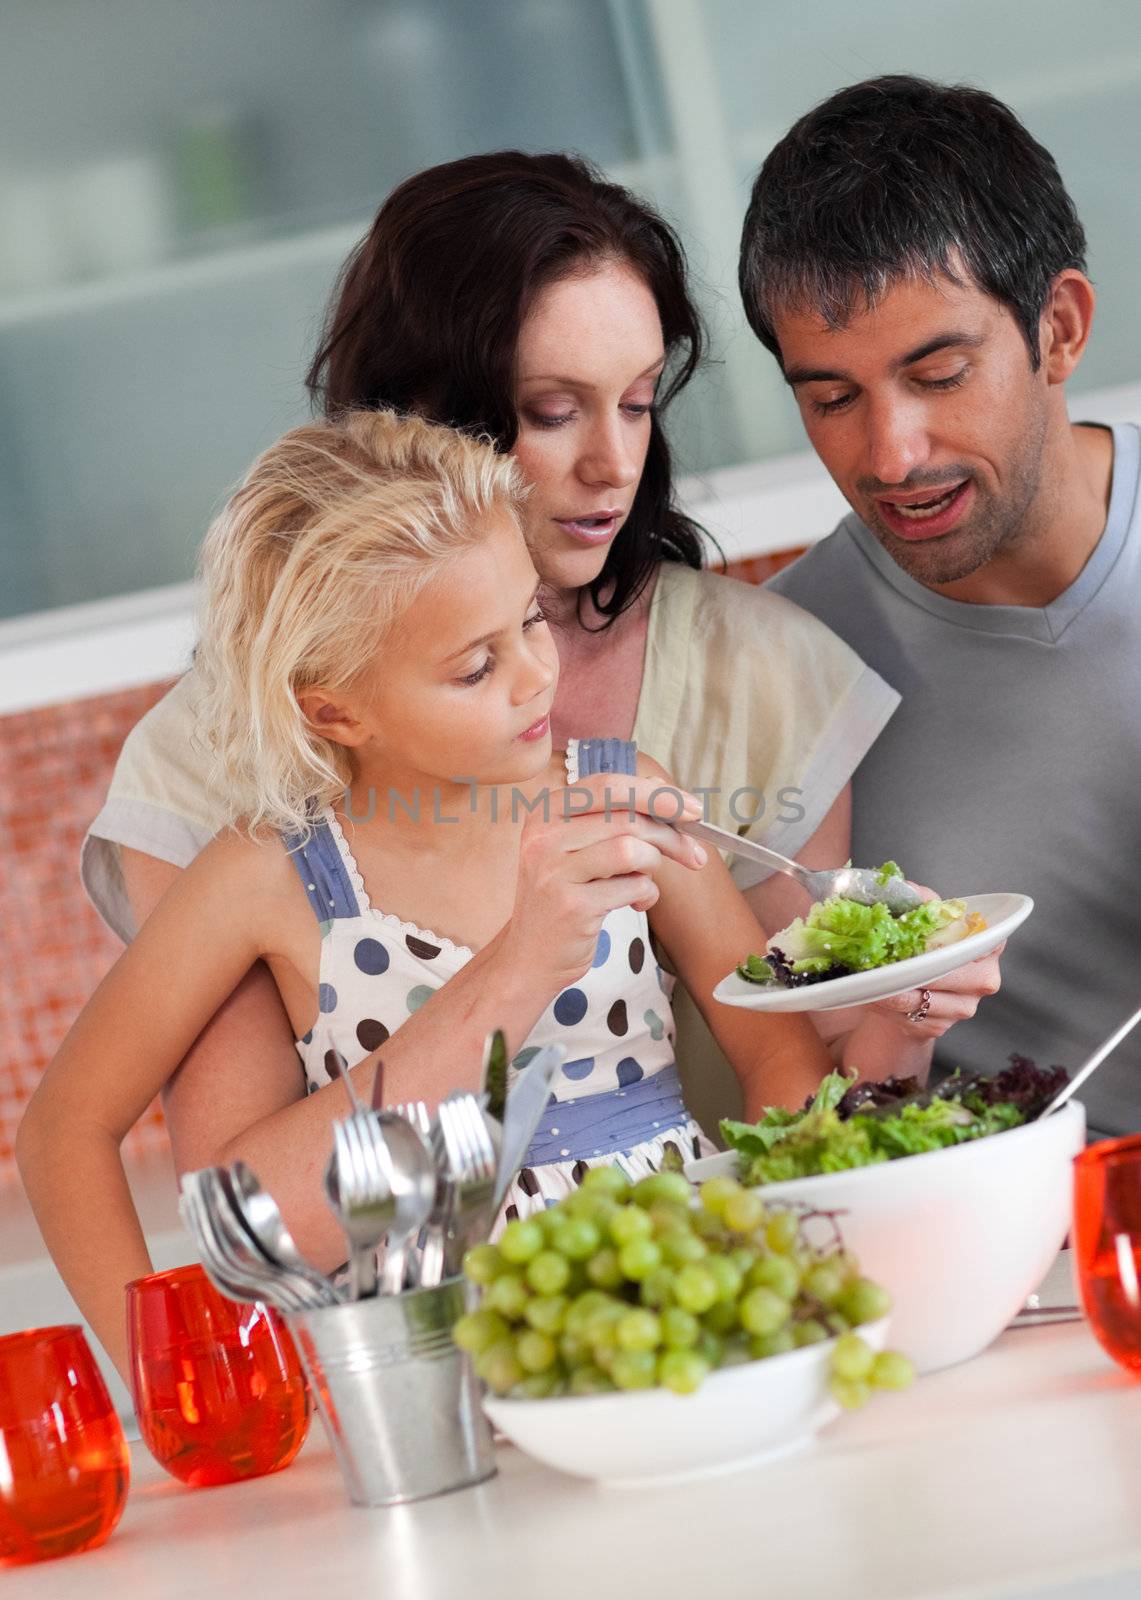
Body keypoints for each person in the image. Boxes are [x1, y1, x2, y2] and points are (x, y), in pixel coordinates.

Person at [78, 152, 998, 1212]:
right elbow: (256, 1210)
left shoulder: (766, 680)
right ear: (422, 414)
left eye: (641, 401)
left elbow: (815, 1087)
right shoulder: (227, 753)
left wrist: (899, 1010)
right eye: (552, 410)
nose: (614, 463)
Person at [19, 407, 841, 1377]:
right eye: (474, 666)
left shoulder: (615, 790)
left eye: (529, 617)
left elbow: (775, 1042)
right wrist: (171, 1380)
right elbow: (63, 1130)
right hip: (431, 1371)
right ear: (335, 709)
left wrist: (790, 1246)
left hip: (686, 1311)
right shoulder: (265, 877)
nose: (536, 676)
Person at [739, 76, 1139, 1138]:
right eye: (830, 398)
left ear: (1057, 328)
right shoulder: (780, 674)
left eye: (940, 372)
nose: (890, 455)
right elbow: (832, 1123)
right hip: (1028, 1261)